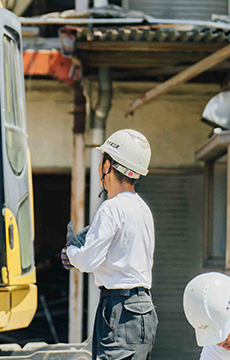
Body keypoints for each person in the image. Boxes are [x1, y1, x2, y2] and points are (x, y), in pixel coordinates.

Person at [61, 129, 158, 360]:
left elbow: (88, 261)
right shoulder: (142, 209)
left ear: (107, 166)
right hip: (144, 310)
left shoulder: (111, 208)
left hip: (119, 310)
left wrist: (71, 252)